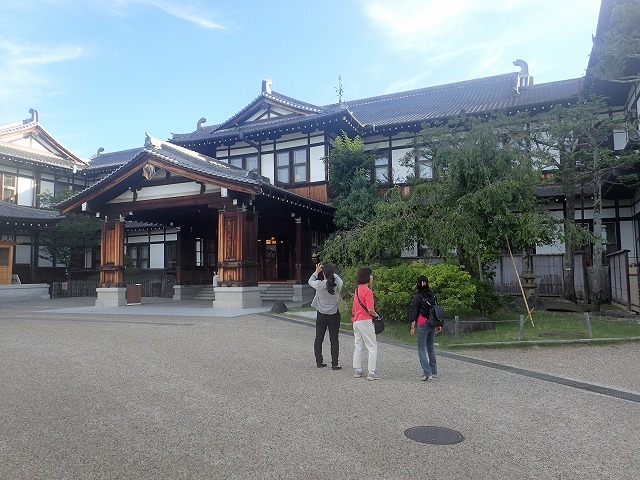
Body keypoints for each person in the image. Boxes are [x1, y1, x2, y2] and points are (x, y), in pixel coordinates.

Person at [308, 263, 344, 370]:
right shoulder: (336, 284)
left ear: (323, 273)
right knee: (334, 340)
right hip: (334, 314)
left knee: (319, 338)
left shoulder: (319, 284)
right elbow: (341, 281)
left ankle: (319, 361)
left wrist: (317, 271)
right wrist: (333, 273)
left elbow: (310, 281)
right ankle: (335, 364)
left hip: (321, 314)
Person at [409, 275, 441, 381]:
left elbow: (414, 312)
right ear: (427, 283)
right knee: (430, 347)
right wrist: (438, 324)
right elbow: (437, 310)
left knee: (421, 348)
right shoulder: (433, 295)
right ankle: (433, 371)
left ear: (418, 284)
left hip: (423, 323)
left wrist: (412, 327)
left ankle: (427, 373)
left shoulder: (417, 297)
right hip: (432, 323)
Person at [351, 266, 381, 381]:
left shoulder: (357, 289)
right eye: (370, 275)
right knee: (372, 346)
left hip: (356, 320)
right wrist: (377, 316)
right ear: (367, 277)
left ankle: (357, 369)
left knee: (358, 345)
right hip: (365, 320)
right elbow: (370, 309)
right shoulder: (368, 291)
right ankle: (371, 372)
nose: (372, 277)